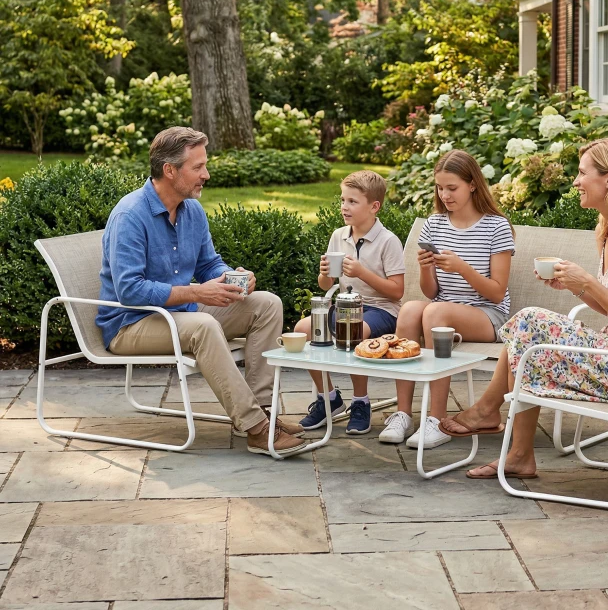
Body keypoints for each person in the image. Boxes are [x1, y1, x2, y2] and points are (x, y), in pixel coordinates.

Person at [440, 137, 608, 479]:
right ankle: (507, 437)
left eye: (582, 173)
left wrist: (588, 282)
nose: (576, 181)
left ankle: (495, 421)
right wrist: (574, 287)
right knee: (527, 329)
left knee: (528, 325)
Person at [97, 126, 306, 455]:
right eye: (198, 167)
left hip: (180, 314)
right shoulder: (130, 215)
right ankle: (255, 428)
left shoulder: (191, 210)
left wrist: (232, 277)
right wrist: (196, 293)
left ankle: (264, 412)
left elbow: (209, 264)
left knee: (266, 304)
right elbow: (130, 291)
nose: (206, 174)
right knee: (204, 326)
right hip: (130, 323)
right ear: (170, 170)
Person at [379, 150, 515, 449]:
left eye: (452, 188)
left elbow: (496, 292)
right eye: (440, 188)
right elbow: (430, 293)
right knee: (410, 310)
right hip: (443, 308)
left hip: (488, 314)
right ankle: (404, 414)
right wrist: (426, 267)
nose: (445, 195)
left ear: (472, 184)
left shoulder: (496, 226)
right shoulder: (434, 224)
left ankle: (436, 419)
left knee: (434, 313)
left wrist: (462, 268)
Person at [295, 170, 405, 435]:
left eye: (353, 201)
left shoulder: (388, 241)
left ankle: (360, 402)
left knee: (353, 329)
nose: (344, 206)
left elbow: (397, 291)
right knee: (303, 329)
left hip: (381, 309)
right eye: (343, 200)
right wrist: (324, 273)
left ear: (374, 206)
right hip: (345, 306)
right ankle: (329, 398)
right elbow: (326, 285)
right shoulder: (339, 235)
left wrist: (362, 272)